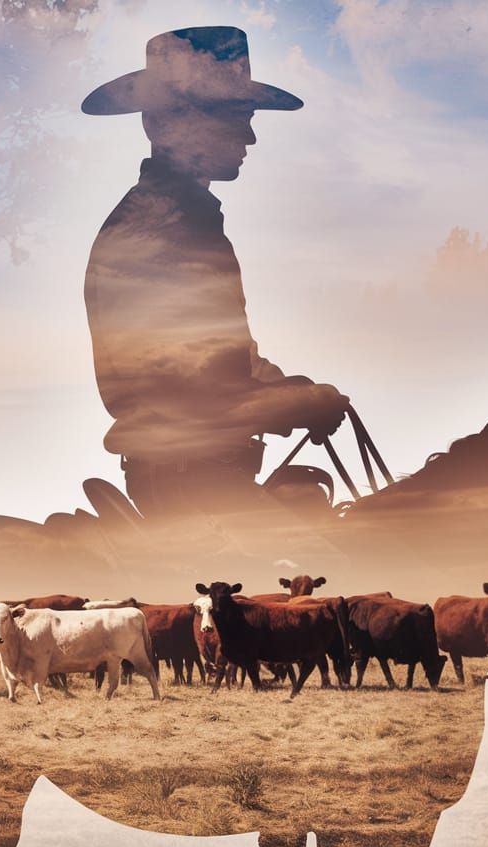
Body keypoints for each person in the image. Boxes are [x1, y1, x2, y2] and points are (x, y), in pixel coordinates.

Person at [82, 26, 349, 517]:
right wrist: (301, 403)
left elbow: (224, 361)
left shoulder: (178, 222)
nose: (249, 135)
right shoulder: (162, 232)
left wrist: (291, 389)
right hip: (196, 491)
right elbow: (191, 394)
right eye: (237, 118)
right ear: (179, 124)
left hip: (200, 478)